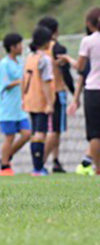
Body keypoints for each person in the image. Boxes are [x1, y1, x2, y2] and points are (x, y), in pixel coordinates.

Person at [37, 16, 74, 173]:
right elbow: (65, 73)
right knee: (56, 130)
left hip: (42, 93)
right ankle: (39, 163)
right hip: (57, 92)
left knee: (50, 129)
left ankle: (55, 161)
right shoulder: (58, 48)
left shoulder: (37, 50)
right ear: (54, 31)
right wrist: (74, 92)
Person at [66, 7, 100, 175]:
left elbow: (80, 67)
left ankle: (98, 168)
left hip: (93, 89)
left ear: (89, 24)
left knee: (94, 133)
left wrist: (68, 59)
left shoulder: (88, 41)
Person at [22, 26, 55, 176]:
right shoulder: (45, 59)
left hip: (30, 100)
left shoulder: (30, 58)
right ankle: (38, 168)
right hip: (41, 100)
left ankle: (37, 167)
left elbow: (24, 81)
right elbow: (47, 82)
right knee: (40, 134)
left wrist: (23, 97)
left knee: (35, 132)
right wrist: (50, 103)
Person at [0, 33, 30, 176]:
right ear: (12, 47)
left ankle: (6, 156)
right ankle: (4, 167)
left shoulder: (20, 62)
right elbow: (6, 84)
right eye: (19, 45)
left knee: (27, 134)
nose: (22, 47)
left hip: (19, 108)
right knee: (9, 137)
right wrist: (20, 81)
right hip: (7, 108)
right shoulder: (4, 64)